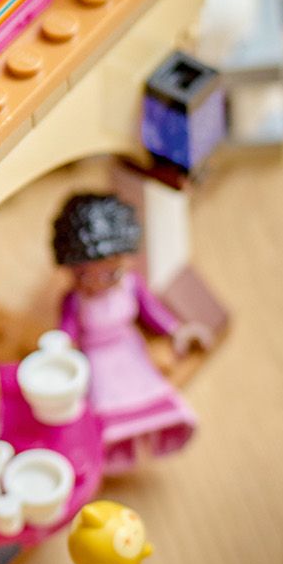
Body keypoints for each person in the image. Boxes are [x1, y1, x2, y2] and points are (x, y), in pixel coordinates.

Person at [51, 192, 210, 474]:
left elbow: (151, 310)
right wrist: (59, 350)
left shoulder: (130, 285)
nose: (97, 284)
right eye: (84, 275)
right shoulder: (75, 300)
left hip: (128, 348)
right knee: (106, 401)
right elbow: (67, 330)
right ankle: (116, 449)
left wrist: (176, 331)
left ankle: (153, 432)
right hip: (96, 357)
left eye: (110, 273)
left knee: (145, 388)